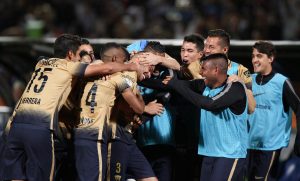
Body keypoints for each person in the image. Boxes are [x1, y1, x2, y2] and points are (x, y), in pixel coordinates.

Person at [0, 34, 143, 181]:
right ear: (70, 54)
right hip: (40, 127)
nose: (84, 58)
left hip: (15, 126)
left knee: (16, 176)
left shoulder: (42, 63)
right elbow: (106, 68)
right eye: (81, 54)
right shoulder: (69, 67)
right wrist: (130, 65)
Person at [164, 53, 249, 180]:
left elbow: (210, 104)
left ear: (215, 70)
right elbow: (175, 85)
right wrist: (141, 77)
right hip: (209, 153)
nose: (200, 72)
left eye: (203, 69)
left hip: (230, 154)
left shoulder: (235, 88)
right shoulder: (204, 86)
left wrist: (175, 84)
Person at [247, 41, 300, 180]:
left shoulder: (281, 82)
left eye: (259, 56)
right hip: (248, 144)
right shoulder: (248, 81)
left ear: (270, 58)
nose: (254, 60)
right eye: (253, 56)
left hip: (270, 145)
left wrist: (298, 140)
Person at [135, 41, 175, 181]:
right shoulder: (134, 74)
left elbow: (164, 96)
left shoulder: (167, 73)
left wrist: (143, 112)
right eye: (147, 58)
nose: (149, 63)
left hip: (163, 141)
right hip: (140, 141)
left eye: (153, 59)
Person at [203, 29, 256, 113]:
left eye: (211, 47)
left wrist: (241, 83)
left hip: (229, 125)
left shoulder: (240, 71)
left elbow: (251, 108)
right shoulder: (198, 68)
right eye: (205, 46)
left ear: (224, 50)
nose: (206, 50)